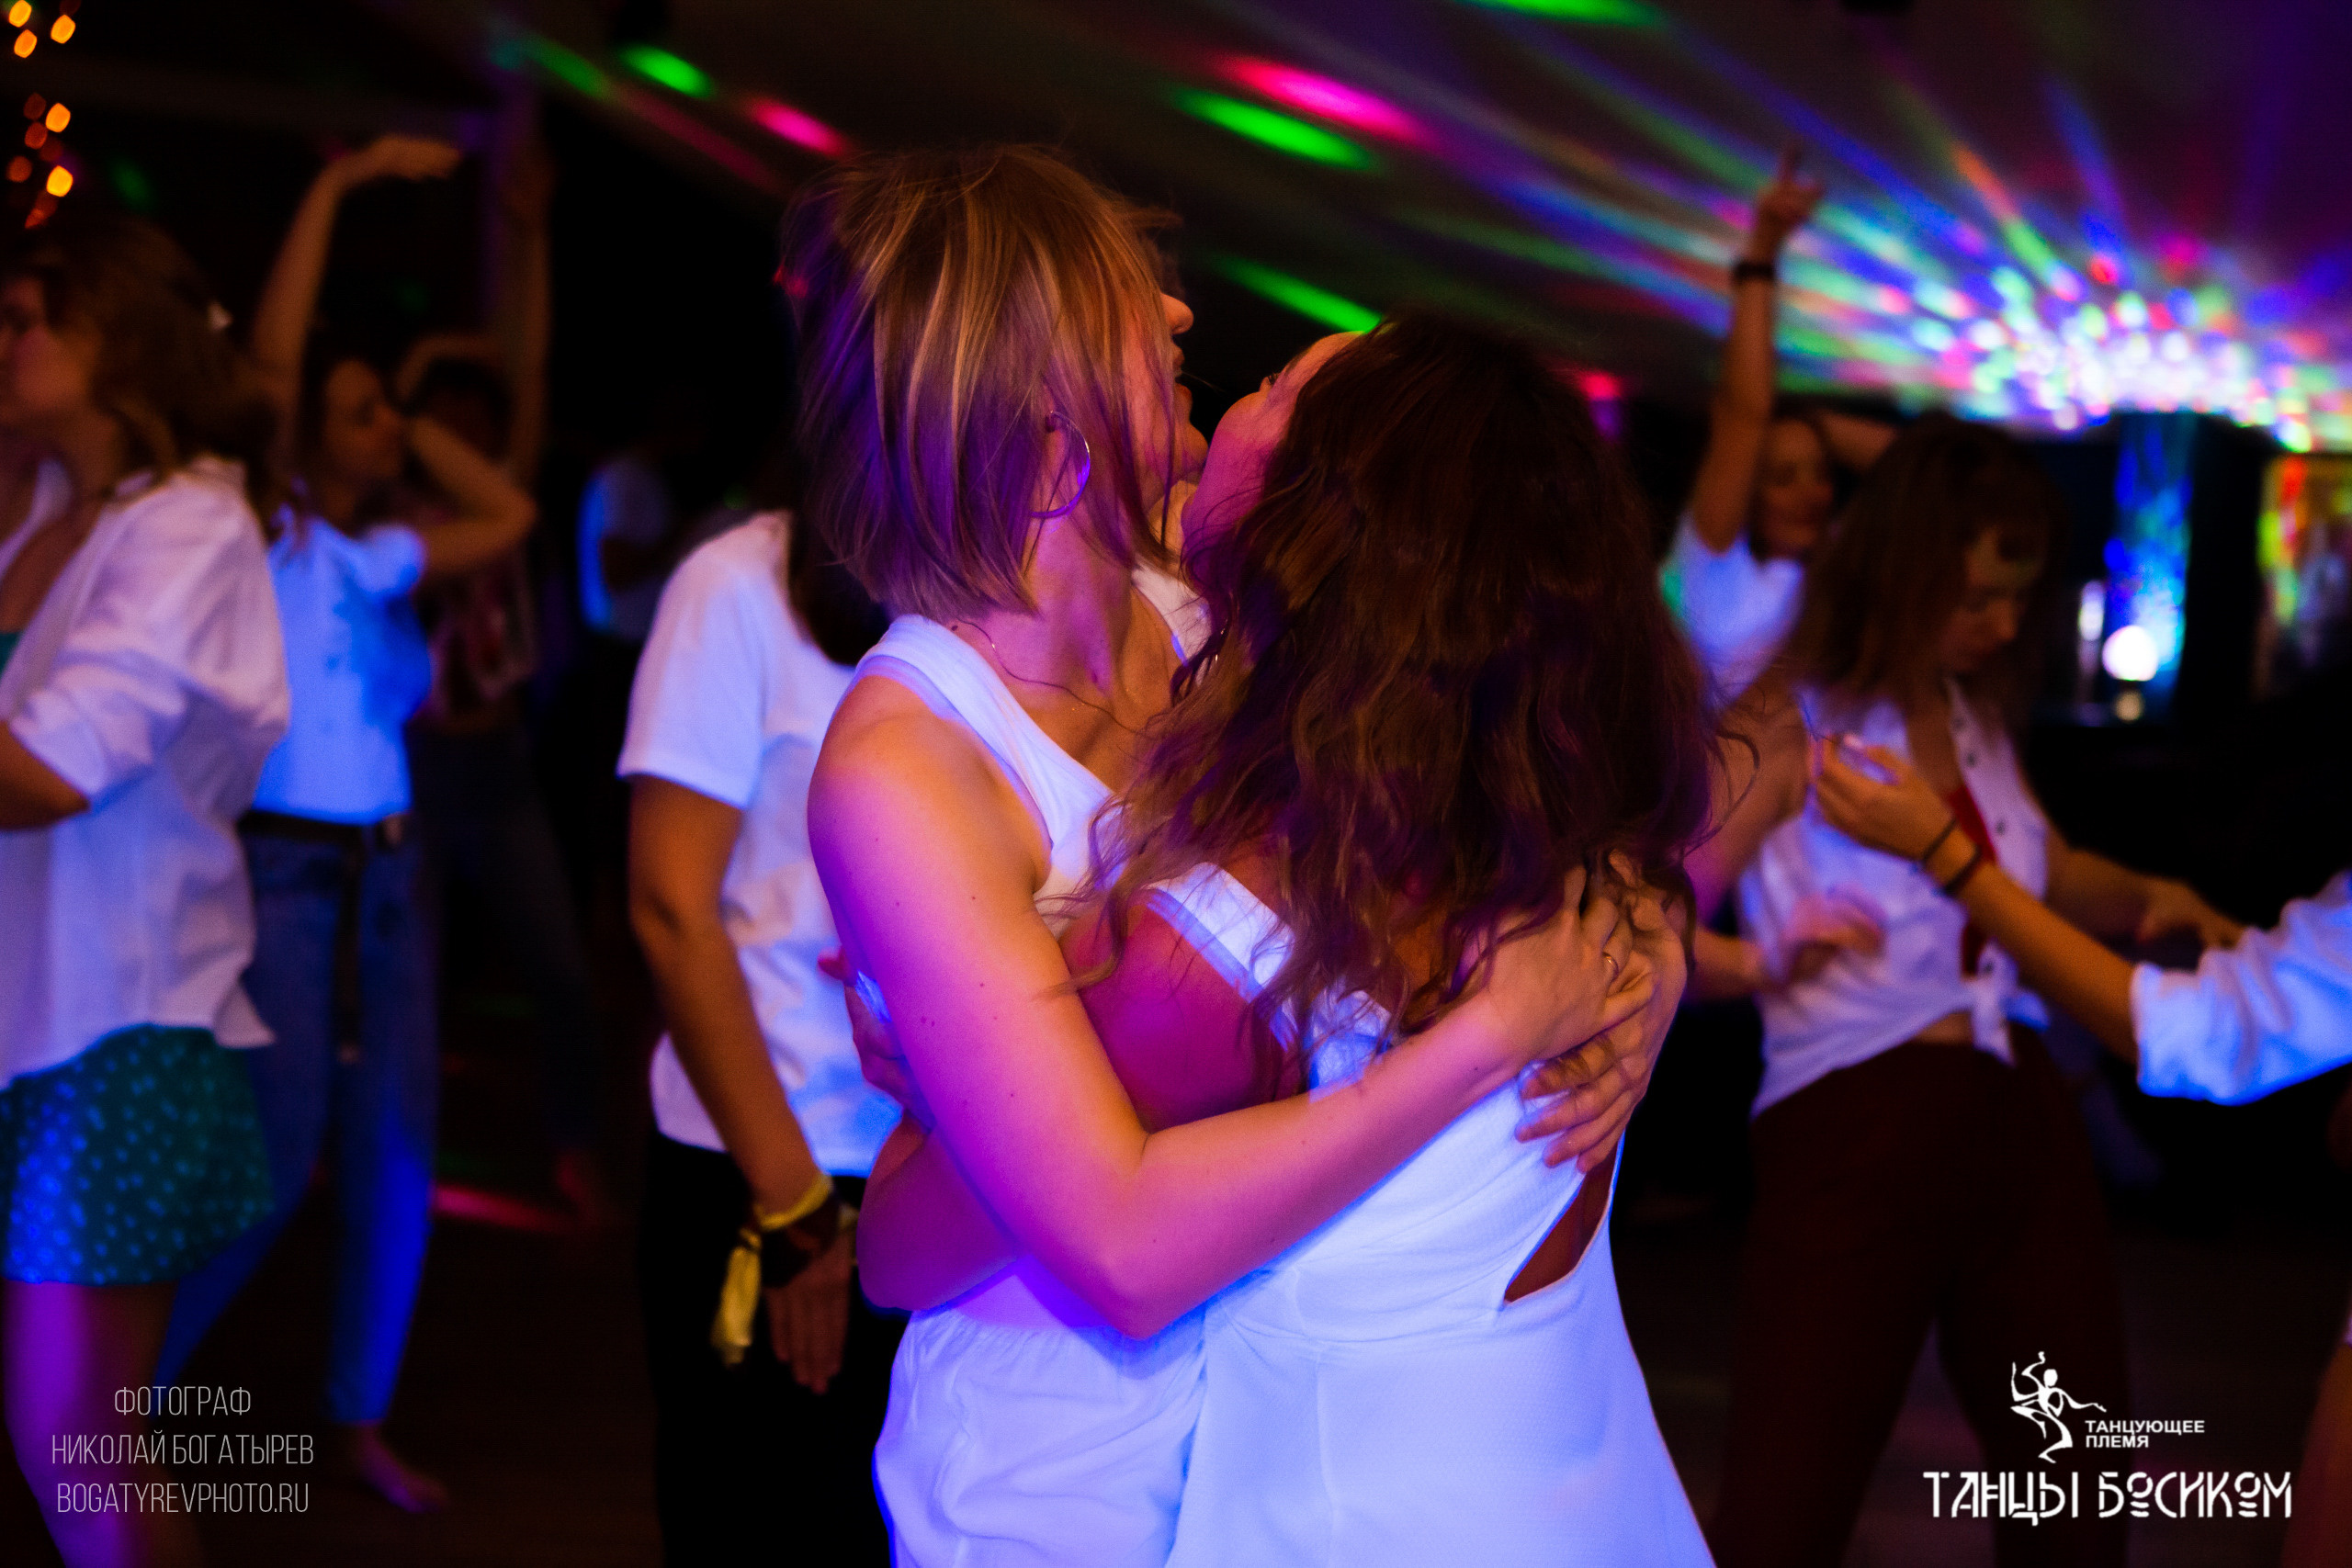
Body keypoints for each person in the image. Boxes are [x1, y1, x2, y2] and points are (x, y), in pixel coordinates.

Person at [788, 145, 1660, 1566]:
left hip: (1269, 1396)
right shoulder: (908, 765)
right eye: (1136, 311)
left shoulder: (1194, 606)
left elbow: (1498, 734)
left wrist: (1642, 950)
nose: (1187, 324)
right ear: (1053, 443)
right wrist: (1497, 1028)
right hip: (1060, 1450)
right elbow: (1090, 1230)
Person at [1688, 412, 2240, 1568]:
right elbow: (1643, 917)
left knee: (2083, 1488)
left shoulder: (1976, 712)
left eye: (2013, 602)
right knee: (1785, 1510)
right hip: (1851, 1123)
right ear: (1903, 570)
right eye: (1971, 596)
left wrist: (2152, 892)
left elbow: (2034, 873)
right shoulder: (1791, 721)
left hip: (2020, 1113)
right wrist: (1752, 963)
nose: (1997, 628)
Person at [154, 132, 537, 1514]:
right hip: (287, 877)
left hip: (387, 875)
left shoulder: (376, 554)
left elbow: (509, 505)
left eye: (389, 414)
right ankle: (119, 1405)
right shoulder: (260, 533)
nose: (388, 432)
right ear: (304, 424)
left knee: (400, 1148)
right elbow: (266, 372)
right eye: (364, 410)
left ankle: (357, 1416)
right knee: (273, 1147)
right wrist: (328, 191)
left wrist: (416, 401)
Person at [1811, 729, 2352, 1568]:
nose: (1997, 623)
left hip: (2004, 1095)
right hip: (1854, 1110)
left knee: (2077, 1463)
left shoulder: (1973, 731)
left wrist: (1948, 858)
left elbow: (2204, 1031)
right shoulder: (1831, 727)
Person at [0, 212, 288, 1568]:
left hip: (118, 1032)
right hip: (40, 1024)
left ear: (119, 340)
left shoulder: (192, 525)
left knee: (79, 1442)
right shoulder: (64, 513)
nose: (5, 344)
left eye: (27, 321)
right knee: (76, 1443)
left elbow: (53, 768)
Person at [622, 474, 903, 1562]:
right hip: (773, 1153)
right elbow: (668, 908)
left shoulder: (1003, 585)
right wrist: (793, 1210)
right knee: (760, 1519)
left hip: (952, 1160)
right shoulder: (738, 585)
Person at [392, 110, 612, 1224]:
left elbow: (528, 366)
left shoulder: (503, 504)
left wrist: (529, 237)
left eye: (482, 413)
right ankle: (404, 1169)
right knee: (409, 992)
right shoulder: (398, 518)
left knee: (562, 973)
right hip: (414, 772)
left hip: (501, 767)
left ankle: (573, 1148)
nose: (477, 422)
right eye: (452, 409)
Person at [1663, 150, 1894, 701]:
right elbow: (1743, 416)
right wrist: (1761, 254)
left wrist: (1810, 420)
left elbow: (1928, 470)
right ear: (1745, 492)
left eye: (1820, 472)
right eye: (1782, 476)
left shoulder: (1838, 575)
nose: (1810, 493)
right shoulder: (1711, 569)